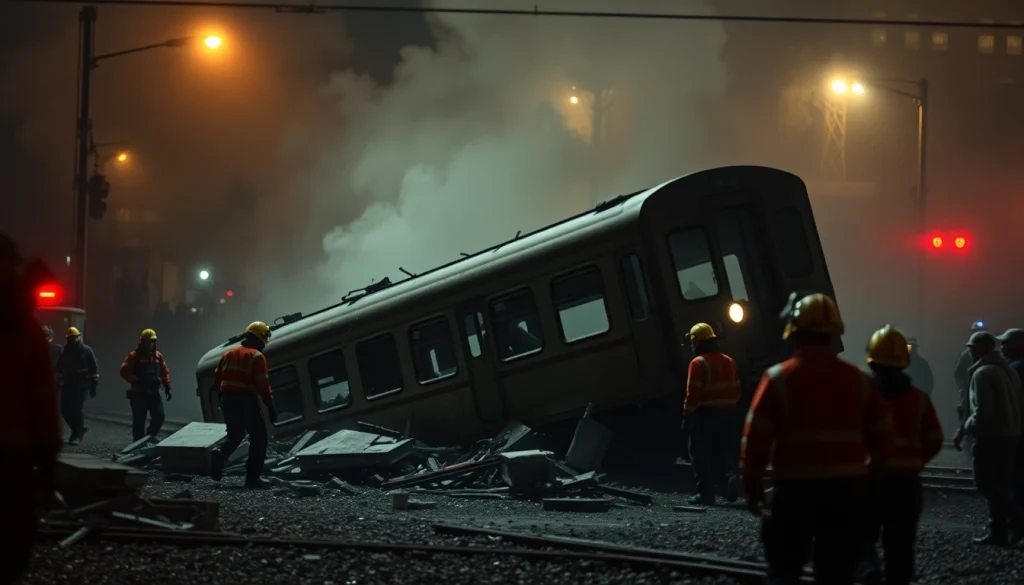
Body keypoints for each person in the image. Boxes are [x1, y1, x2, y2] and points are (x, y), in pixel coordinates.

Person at [742, 292, 892, 585]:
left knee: (784, 570)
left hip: (794, 491)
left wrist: (753, 487)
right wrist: (872, 487)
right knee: (837, 572)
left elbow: (755, 440)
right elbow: (883, 441)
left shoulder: (777, 378)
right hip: (846, 492)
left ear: (793, 333)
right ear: (834, 334)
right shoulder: (861, 380)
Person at [858, 325, 944, 585]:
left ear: (871, 360)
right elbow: (934, 439)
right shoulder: (919, 399)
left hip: (869, 480)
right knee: (901, 546)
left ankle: (867, 571)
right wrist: (915, 461)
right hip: (906, 483)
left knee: (860, 535)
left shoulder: (860, 395)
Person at [0, 234, 62, 584]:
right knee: (12, 538)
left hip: (15, 449)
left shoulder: (28, 333)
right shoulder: (27, 332)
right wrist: (48, 457)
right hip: (14, 450)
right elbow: (42, 398)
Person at [953, 330, 1024, 545]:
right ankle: (998, 532)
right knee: (1002, 484)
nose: (970, 351)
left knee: (985, 483)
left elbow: (983, 411)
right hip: (1011, 435)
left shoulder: (982, 373)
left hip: (991, 436)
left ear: (982, 348)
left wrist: (965, 427)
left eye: (972, 348)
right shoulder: (1008, 371)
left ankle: (1019, 519)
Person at [209, 321, 278, 489]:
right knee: (259, 438)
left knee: (235, 435)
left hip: (227, 399)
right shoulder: (256, 356)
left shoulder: (228, 354)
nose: (263, 345)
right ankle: (252, 479)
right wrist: (270, 407)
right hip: (246, 400)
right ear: (258, 339)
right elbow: (262, 384)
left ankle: (220, 452)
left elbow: (217, 378)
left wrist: (222, 398)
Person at [683, 322, 741, 506]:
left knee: (699, 454)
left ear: (697, 342)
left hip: (706, 414)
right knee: (724, 451)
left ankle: (706, 495)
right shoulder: (729, 360)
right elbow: (737, 389)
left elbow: (693, 394)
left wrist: (687, 416)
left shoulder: (698, 363)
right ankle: (730, 483)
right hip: (730, 412)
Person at [119, 328, 172, 442]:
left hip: (154, 393)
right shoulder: (134, 356)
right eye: (148, 341)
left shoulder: (158, 356)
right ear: (142, 342)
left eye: (152, 341)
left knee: (159, 416)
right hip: (139, 393)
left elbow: (164, 371)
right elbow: (124, 370)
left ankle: (149, 437)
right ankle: (137, 443)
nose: (151, 344)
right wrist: (133, 379)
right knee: (139, 422)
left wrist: (167, 384)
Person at [55, 326, 99, 446]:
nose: (72, 340)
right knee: (65, 409)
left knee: (76, 408)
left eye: (74, 337)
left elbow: (94, 369)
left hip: (81, 385)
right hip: (68, 384)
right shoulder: (65, 351)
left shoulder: (86, 351)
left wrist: (93, 385)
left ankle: (77, 435)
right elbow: (59, 368)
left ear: (78, 337)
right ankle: (78, 428)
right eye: (70, 338)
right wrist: (58, 381)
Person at [996, 328, 1024, 507]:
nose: (1002, 346)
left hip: (1017, 430)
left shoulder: (1015, 369)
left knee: (1015, 477)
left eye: (1006, 342)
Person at [955, 321, 988, 458]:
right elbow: (958, 374)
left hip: (977, 394)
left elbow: (957, 374)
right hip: (969, 393)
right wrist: (963, 388)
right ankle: (969, 452)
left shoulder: (967, 354)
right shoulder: (966, 355)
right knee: (968, 420)